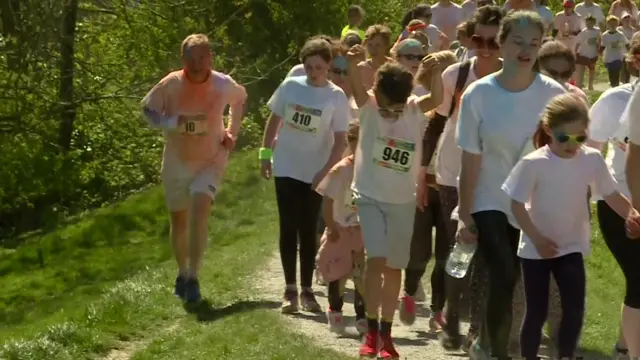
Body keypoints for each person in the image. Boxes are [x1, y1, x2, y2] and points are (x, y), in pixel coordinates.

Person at [455, 10, 566, 360]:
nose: (526, 49)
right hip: (489, 196)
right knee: (502, 269)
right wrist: (464, 213)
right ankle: (495, 349)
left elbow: (571, 143)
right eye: (518, 41)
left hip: (532, 200)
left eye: (534, 43)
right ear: (501, 43)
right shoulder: (478, 94)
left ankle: (486, 339)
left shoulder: (555, 94)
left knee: (512, 277)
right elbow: (470, 159)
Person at [502, 93, 640, 360]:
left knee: (575, 309)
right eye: (564, 137)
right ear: (548, 130)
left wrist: (632, 213)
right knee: (537, 311)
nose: (571, 144)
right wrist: (537, 239)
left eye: (579, 137)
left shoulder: (591, 160)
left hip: (571, 245)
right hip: (536, 249)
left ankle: (565, 355)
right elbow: (517, 205)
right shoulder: (534, 163)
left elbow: (610, 194)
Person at [346, 44, 445, 359]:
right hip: (370, 196)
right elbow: (358, 90)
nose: (391, 115)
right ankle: (371, 332)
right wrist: (351, 64)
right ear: (378, 95)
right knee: (376, 260)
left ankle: (387, 335)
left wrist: (438, 71)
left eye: (396, 110)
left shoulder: (414, 108)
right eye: (387, 109)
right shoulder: (370, 108)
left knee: (393, 268)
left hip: (402, 201)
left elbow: (438, 99)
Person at [420, 5, 506, 353]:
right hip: (453, 173)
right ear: (469, 38)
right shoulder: (455, 75)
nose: (485, 47)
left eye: (494, 41)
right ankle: (452, 316)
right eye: (478, 39)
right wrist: (420, 173)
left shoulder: (516, 79)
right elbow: (436, 124)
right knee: (458, 249)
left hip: (497, 177)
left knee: (488, 255)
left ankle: (475, 328)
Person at [141, 34, 247, 303]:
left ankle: (194, 278)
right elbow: (148, 109)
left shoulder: (223, 84)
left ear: (211, 57)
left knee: (200, 210)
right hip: (177, 161)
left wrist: (231, 132)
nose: (198, 63)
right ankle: (182, 271)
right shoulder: (171, 84)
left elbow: (240, 99)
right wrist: (171, 123)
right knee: (179, 221)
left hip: (211, 160)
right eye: (192, 58)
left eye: (203, 57)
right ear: (183, 59)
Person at [260, 38, 351, 314]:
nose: (313, 72)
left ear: (329, 66)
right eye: (309, 66)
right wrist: (265, 155)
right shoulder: (291, 86)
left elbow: (339, 140)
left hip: (315, 170)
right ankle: (290, 290)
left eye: (319, 68)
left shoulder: (336, 97)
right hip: (287, 165)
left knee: (308, 228)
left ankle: (308, 289)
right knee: (288, 226)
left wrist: (326, 172)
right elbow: (274, 121)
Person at [394, 46, 458, 331]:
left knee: (445, 250)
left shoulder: (461, 110)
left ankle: (437, 309)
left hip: (447, 188)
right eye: (438, 73)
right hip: (419, 186)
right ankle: (409, 292)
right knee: (419, 249)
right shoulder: (418, 105)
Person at [588, 35, 640, 360]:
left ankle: (624, 346)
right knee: (638, 277)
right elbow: (587, 154)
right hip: (617, 203)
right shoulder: (612, 101)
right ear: (635, 59)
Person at [315, 121, 367, 336]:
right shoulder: (341, 170)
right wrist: (331, 225)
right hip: (340, 228)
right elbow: (327, 200)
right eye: (357, 141)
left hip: (361, 229)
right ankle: (334, 309)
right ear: (350, 141)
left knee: (360, 275)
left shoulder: (371, 170)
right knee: (338, 273)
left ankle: (362, 316)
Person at [538, 40, 589, 104]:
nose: (559, 79)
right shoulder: (526, 95)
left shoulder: (578, 98)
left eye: (566, 74)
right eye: (553, 73)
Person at [358, 25, 394, 90]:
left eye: (378, 45)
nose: (373, 49)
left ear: (386, 46)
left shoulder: (394, 66)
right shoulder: (361, 68)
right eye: (370, 45)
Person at [601, 15, 629, 87]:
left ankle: (616, 85)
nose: (613, 25)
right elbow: (602, 46)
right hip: (609, 57)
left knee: (616, 72)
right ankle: (613, 85)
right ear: (607, 24)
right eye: (611, 24)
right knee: (611, 73)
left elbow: (626, 43)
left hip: (618, 57)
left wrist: (629, 52)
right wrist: (601, 56)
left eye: (614, 24)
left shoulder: (620, 34)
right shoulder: (605, 35)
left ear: (617, 24)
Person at [575, 15, 600, 90]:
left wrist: (599, 50)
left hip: (593, 54)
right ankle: (579, 85)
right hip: (583, 54)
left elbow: (599, 41)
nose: (589, 24)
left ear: (594, 23)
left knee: (592, 70)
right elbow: (578, 43)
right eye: (587, 23)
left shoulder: (597, 31)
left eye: (591, 23)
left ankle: (590, 85)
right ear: (585, 23)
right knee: (581, 70)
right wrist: (575, 52)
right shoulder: (583, 32)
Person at [618, 12, 635, 84]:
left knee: (627, 67)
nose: (627, 21)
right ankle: (620, 81)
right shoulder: (619, 29)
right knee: (620, 67)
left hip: (629, 51)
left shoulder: (633, 30)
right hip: (620, 51)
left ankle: (626, 82)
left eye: (628, 19)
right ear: (622, 20)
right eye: (625, 19)